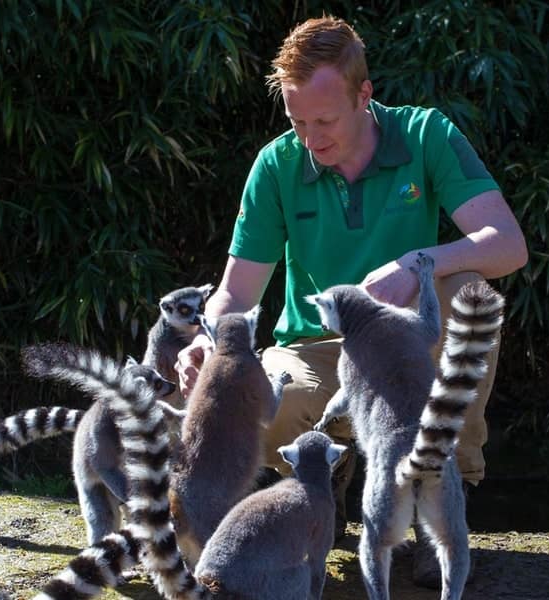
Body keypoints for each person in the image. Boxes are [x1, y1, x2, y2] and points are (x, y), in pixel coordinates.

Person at [175, 15, 528, 590]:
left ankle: (436, 510)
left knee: (470, 296)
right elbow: (236, 293)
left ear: (364, 95)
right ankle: (322, 481)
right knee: (261, 410)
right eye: (296, 120)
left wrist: (420, 263)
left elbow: (507, 245)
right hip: (314, 348)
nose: (310, 138)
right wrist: (206, 345)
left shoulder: (425, 135)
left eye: (325, 119)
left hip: (402, 339)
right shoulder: (277, 164)